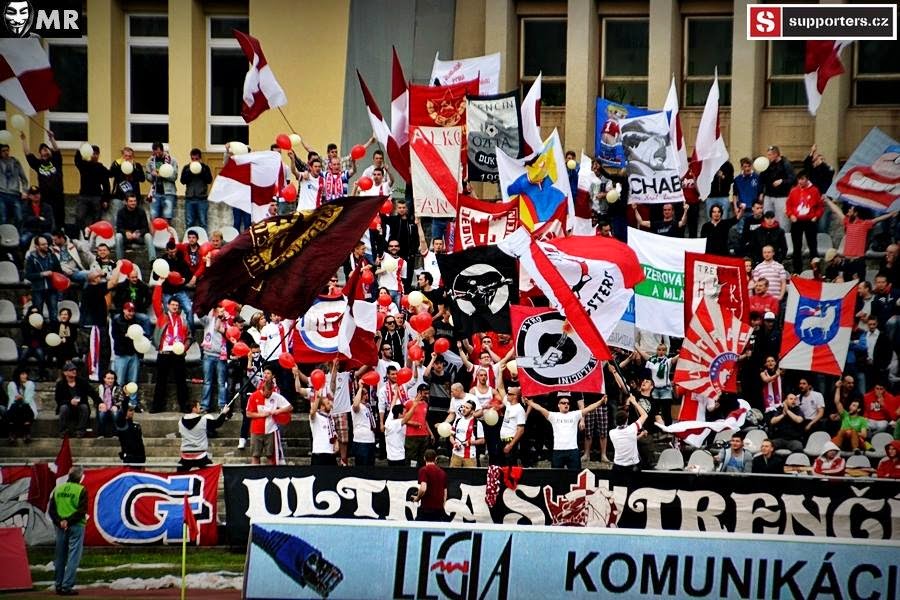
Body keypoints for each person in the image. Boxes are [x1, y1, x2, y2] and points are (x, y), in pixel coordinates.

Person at [527, 393, 606, 471]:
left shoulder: (575, 414)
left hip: (573, 451)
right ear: (558, 405)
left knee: (575, 476)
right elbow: (540, 408)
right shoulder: (553, 415)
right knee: (556, 478)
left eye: (568, 403)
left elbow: (589, 408)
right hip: (558, 451)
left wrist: (601, 401)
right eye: (563, 403)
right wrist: (529, 402)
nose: (566, 404)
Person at [50, 465, 88, 596]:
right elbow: (82, 511)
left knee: (60, 556)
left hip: (60, 526)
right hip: (76, 526)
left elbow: (52, 510)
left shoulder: (58, 489)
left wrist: (60, 521)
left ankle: (58, 585)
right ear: (80, 477)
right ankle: (67, 586)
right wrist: (69, 521)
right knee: (73, 557)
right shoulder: (81, 490)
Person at [150, 288, 190, 413]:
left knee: (181, 382)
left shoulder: (183, 320)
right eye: (172, 305)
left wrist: (185, 348)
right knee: (160, 381)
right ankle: (156, 407)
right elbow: (155, 300)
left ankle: (184, 406)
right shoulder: (162, 316)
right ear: (168, 305)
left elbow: (189, 337)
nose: (174, 307)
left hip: (178, 354)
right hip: (164, 353)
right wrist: (160, 284)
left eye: (177, 305)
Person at [246, 380, 292, 465]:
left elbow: (289, 407)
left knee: (270, 456)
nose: (268, 396)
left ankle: (271, 475)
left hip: (271, 430)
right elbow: (248, 413)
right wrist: (262, 415)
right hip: (256, 430)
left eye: (270, 394)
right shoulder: (253, 396)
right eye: (267, 394)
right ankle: (255, 476)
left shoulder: (275, 396)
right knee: (255, 456)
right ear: (263, 389)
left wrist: (278, 411)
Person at [786, 171, 824, 274]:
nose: (800, 181)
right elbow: (788, 205)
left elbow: (820, 206)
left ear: (807, 179)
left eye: (802, 179)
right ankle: (797, 271)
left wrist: (816, 217)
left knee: (813, 246)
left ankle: (816, 270)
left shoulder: (814, 190)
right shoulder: (793, 191)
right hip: (797, 221)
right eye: (799, 179)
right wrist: (791, 215)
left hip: (810, 221)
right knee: (796, 247)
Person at [178, 401, 230, 471]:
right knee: (210, 472)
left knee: (180, 473)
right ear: (194, 408)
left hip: (185, 455)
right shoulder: (203, 420)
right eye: (198, 406)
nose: (200, 407)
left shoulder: (180, 422)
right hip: (200, 455)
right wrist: (224, 413)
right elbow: (217, 423)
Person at [55, 362, 100, 438]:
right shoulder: (60, 384)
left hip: (80, 405)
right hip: (67, 406)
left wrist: (100, 402)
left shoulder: (82, 382)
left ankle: (80, 431)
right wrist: (70, 402)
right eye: (71, 370)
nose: (74, 371)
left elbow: (92, 393)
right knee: (63, 408)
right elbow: (58, 399)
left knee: (84, 407)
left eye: (75, 369)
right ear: (65, 373)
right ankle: (63, 431)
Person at [24, 235, 63, 319]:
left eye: (46, 244)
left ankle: (54, 332)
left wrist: (53, 274)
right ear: (37, 246)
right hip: (38, 290)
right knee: (38, 315)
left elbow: (60, 272)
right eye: (43, 244)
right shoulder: (31, 258)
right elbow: (28, 275)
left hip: (52, 289)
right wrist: (41, 274)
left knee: (54, 314)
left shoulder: (52, 256)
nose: (46, 246)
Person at [73, 144, 110, 233]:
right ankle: (82, 233)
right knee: (79, 216)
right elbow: (77, 159)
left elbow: (106, 185)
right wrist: (81, 149)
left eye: (97, 154)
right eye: (93, 153)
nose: (95, 156)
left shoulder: (101, 167)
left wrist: (106, 199)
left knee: (97, 218)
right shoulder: (83, 165)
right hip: (83, 196)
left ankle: (95, 234)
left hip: (96, 197)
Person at [609, 393, 649, 476]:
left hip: (617, 466)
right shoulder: (632, 428)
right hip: (633, 467)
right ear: (626, 420)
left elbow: (629, 440)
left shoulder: (611, 433)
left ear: (615, 421)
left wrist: (641, 435)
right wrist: (634, 402)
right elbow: (644, 415)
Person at [759, 145, 795, 230]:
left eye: (770, 155)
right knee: (767, 217)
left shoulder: (785, 164)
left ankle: (784, 238)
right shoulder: (768, 164)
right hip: (768, 195)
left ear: (776, 154)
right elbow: (762, 180)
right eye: (768, 155)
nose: (768, 157)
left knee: (782, 220)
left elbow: (793, 179)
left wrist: (782, 181)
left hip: (782, 196)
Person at [115, 193, 155, 262]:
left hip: (138, 237)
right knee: (118, 236)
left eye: (134, 201)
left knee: (148, 236)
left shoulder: (141, 211)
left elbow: (146, 228)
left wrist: (139, 233)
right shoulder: (120, 212)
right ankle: (119, 262)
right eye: (131, 201)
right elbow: (119, 228)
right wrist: (125, 232)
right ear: (126, 202)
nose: (133, 203)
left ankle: (153, 261)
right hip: (126, 237)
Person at [180, 148, 213, 229]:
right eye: (193, 159)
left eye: (196, 159)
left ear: (200, 158)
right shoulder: (187, 168)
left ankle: (204, 241)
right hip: (189, 199)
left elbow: (209, 180)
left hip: (202, 199)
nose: (194, 161)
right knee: (189, 222)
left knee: (203, 222)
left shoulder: (205, 167)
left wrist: (201, 171)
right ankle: (189, 240)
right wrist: (190, 172)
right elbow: (183, 181)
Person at [146, 141, 179, 221]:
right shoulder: (151, 161)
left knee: (167, 217)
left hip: (168, 192)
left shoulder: (172, 160)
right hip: (155, 192)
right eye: (154, 152)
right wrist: (152, 175)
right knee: (153, 217)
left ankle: (166, 233)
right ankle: (154, 233)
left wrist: (163, 174)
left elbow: (174, 177)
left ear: (162, 150)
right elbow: (147, 176)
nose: (156, 154)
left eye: (158, 152)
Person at [403, 384, 434, 467]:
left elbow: (425, 420)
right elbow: (402, 419)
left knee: (422, 458)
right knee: (411, 458)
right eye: (425, 393)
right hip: (412, 436)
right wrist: (412, 423)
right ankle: (410, 475)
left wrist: (430, 433)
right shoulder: (409, 403)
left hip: (424, 435)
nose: (427, 395)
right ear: (419, 392)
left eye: (428, 393)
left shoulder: (425, 404)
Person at [412, 449, 447, 522]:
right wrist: (442, 506)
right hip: (439, 509)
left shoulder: (424, 470)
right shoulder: (442, 472)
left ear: (424, 458)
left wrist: (417, 498)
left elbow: (423, 488)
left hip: (426, 509)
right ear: (436, 458)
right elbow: (445, 492)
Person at [449, 399, 485, 467]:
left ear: (472, 411)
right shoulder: (457, 420)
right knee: (453, 476)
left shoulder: (477, 423)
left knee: (470, 477)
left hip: (470, 457)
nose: (463, 409)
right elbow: (451, 436)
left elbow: (482, 440)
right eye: (463, 407)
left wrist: (470, 442)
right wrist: (454, 443)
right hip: (455, 455)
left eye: (467, 408)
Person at [5, 368, 37, 444]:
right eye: (22, 374)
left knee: (24, 406)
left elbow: (28, 400)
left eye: (25, 374)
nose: (25, 376)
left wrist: (22, 398)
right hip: (14, 409)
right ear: (18, 375)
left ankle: (26, 433)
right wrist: (19, 398)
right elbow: (13, 399)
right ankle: (12, 434)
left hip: (28, 409)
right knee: (15, 406)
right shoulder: (11, 384)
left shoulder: (30, 384)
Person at [0, 142, 28, 226]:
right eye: (3, 151)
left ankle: (19, 235)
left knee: (19, 217)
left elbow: (24, 179)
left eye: (7, 150)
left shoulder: (15, 162)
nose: (6, 152)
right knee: (3, 218)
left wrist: (24, 191)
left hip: (14, 194)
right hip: (2, 194)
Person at [308, 386, 337, 466]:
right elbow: (312, 412)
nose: (330, 405)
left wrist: (336, 443)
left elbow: (334, 433)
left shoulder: (330, 418)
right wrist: (317, 397)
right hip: (319, 453)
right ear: (322, 407)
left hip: (330, 453)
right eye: (328, 403)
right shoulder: (316, 417)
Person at [350, 383, 377, 466]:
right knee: (362, 466)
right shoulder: (357, 407)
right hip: (361, 440)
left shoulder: (368, 406)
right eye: (364, 394)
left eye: (366, 393)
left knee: (370, 465)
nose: (366, 395)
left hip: (370, 439)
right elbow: (355, 404)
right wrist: (360, 388)